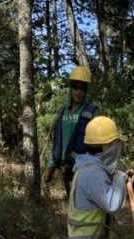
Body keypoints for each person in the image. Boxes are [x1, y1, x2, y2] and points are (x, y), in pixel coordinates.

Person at [44, 66, 98, 195]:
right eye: (75, 87)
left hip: (83, 169)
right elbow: (58, 142)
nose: (79, 92)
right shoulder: (63, 112)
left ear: (86, 91)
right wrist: (51, 166)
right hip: (66, 168)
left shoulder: (92, 112)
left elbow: (99, 144)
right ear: (70, 88)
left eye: (82, 88)